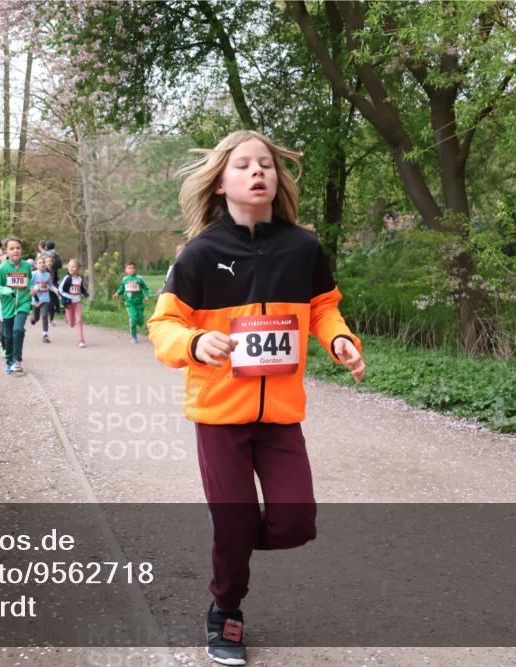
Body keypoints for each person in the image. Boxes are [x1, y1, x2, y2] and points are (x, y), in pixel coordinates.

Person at [148, 130, 366, 665]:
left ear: (276, 178)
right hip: (220, 413)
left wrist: (339, 339)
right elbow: (164, 327)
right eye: (243, 165)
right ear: (221, 183)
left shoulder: (303, 247)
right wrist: (197, 341)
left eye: (265, 164)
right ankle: (225, 612)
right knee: (237, 520)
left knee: (296, 521)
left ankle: (233, 529)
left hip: (281, 415)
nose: (257, 172)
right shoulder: (200, 254)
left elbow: (322, 308)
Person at [0, 236, 33, 375]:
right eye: (12, 248)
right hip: (8, 305)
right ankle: (9, 360)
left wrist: (32, 288)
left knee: (18, 330)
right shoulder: (3, 268)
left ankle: (17, 360)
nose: (15, 250)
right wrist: (7, 291)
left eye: (18, 248)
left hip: (23, 303)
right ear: (6, 251)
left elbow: (30, 281)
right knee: (8, 335)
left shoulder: (26, 266)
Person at [113, 262, 151, 343]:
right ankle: (134, 337)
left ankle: (145, 326)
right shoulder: (125, 280)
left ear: (136, 269)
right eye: (129, 268)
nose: (131, 269)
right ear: (126, 270)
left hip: (139, 303)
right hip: (130, 303)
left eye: (133, 268)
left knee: (140, 321)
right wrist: (117, 293)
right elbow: (121, 288)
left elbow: (146, 288)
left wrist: (147, 295)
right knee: (133, 319)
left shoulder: (139, 279)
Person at [58, 258, 89, 347]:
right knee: (71, 324)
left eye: (73, 267)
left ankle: (81, 340)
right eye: (69, 266)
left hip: (77, 302)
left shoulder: (80, 278)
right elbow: (60, 290)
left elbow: (81, 288)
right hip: (69, 303)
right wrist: (68, 297)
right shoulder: (67, 278)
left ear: (78, 269)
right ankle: (67, 317)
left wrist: (86, 293)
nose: (71, 268)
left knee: (79, 321)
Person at [29, 254, 56, 343]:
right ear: (36, 265)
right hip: (35, 300)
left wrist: (57, 292)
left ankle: (45, 335)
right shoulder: (33, 274)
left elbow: (50, 286)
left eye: (43, 262)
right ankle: (33, 318)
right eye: (40, 263)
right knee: (36, 318)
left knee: (44, 316)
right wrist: (35, 288)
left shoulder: (47, 275)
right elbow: (29, 286)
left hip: (45, 299)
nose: (42, 264)